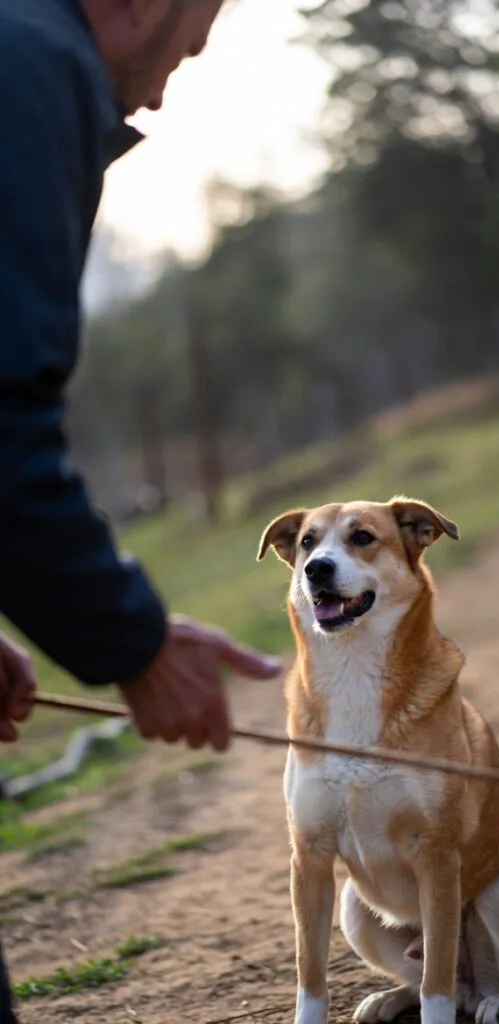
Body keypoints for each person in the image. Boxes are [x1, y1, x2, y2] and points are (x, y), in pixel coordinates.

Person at [0, 2, 281, 1020]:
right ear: (132, 5)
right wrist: (133, 642)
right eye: (184, 48)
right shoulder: (33, 59)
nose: (162, 93)